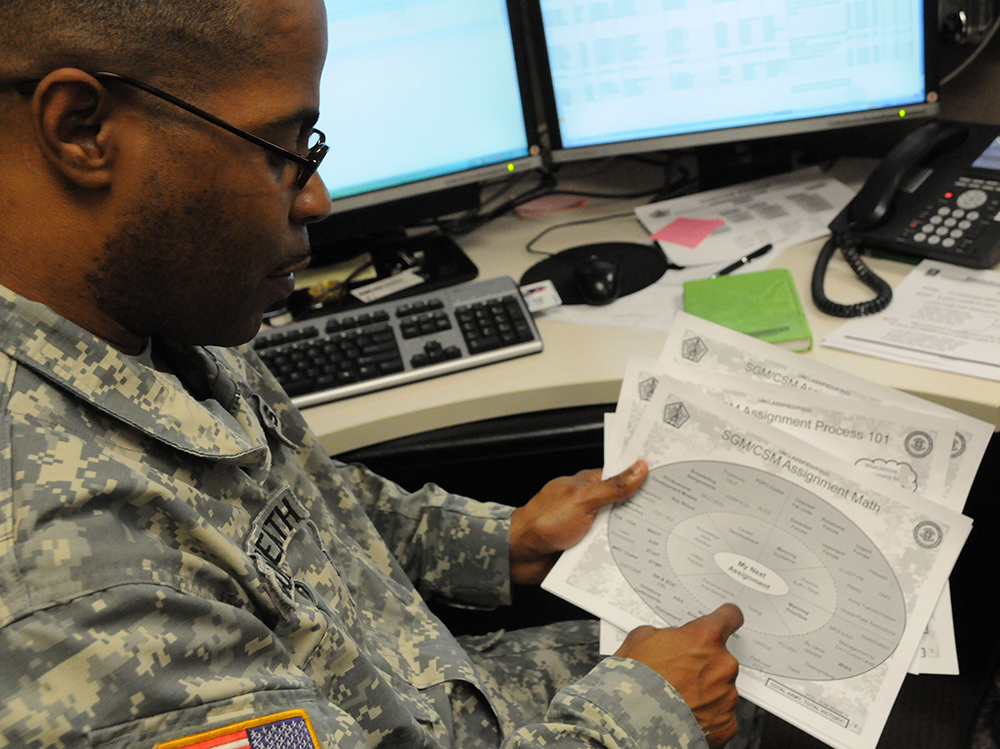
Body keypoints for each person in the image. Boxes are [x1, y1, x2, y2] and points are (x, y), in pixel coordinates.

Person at [0, 1, 752, 747]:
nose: (317, 197)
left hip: (433, 687)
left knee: (753, 663)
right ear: (81, 128)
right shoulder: (73, 591)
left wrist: (503, 539)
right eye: (280, 150)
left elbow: (304, 512)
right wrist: (645, 719)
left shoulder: (154, 300)